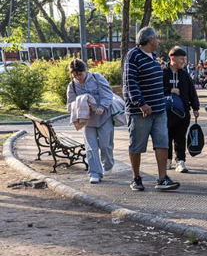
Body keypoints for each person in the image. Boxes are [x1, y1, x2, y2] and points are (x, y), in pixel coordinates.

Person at [123, 27, 180, 192]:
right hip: (140, 111)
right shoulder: (133, 55)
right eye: (157, 38)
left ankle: (162, 179)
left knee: (162, 143)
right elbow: (130, 82)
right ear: (150, 40)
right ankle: (136, 178)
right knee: (137, 145)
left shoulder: (154, 58)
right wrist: (141, 103)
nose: (159, 41)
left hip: (159, 110)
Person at [67, 59, 114, 184]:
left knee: (105, 145)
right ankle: (94, 173)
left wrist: (101, 106)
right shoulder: (72, 85)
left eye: (80, 74)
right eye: (75, 75)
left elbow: (108, 94)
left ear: (85, 70)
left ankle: (108, 165)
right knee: (91, 148)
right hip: (86, 121)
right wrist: (81, 104)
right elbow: (69, 104)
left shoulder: (97, 78)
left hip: (104, 117)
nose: (78, 77)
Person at [162, 47, 200, 174]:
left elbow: (192, 92)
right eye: (181, 59)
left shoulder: (185, 75)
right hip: (166, 113)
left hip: (183, 112)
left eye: (184, 59)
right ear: (172, 58)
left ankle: (180, 161)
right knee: (166, 136)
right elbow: (156, 90)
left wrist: (195, 107)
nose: (184, 61)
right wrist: (169, 90)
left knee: (180, 137)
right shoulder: (162, 73)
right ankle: (167, 160)